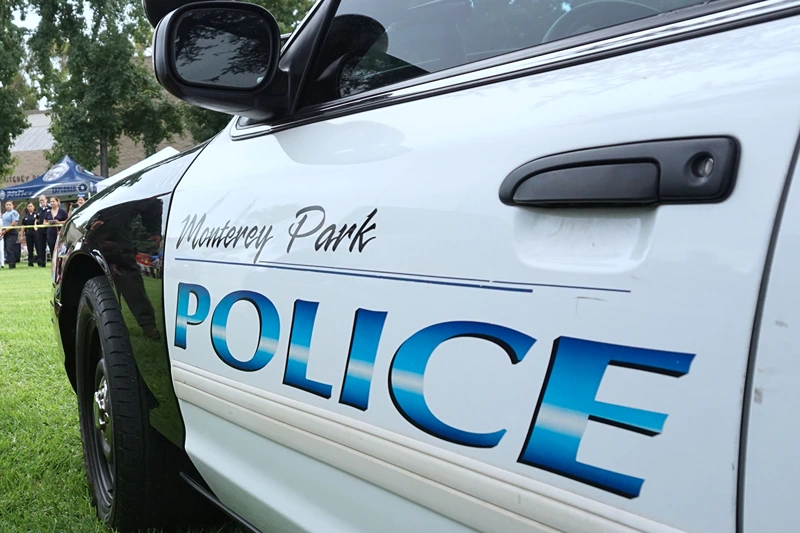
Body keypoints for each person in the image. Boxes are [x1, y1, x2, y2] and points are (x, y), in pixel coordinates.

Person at [1, 200, 20, 269]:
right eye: (7, 205)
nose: (8, 206)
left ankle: (12, 264)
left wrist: (6, 230)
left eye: (9, 205)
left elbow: (14, 223)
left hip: (12, 232)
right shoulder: (4, 214)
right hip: (5, 232)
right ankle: (10, 262)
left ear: (13, 206)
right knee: (6, 248)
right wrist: (2, 231)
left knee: (10, 248)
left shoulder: (14, 213)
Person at [34, 195, 48, 266]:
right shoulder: (38, 210)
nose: (42, 202)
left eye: (43, 200)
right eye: (40, 200)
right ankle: (41, 262)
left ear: (46, 200)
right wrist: (35, 226)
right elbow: (36, 219)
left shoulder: (49, 208)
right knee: (40, 246)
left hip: (48, 229)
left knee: (52, 245)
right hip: (40, 230)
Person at [21, 202, 37, 266]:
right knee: (30, 248)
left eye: (31, 206)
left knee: (38, 247)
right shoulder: (25, 216)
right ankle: (30, 262)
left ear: (34, 207)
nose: (30, 208)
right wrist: (22, 235)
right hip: (28, 233)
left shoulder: (37, 214)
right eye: (29, 206)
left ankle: (40, 261)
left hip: (36, 233)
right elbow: (23, 226)